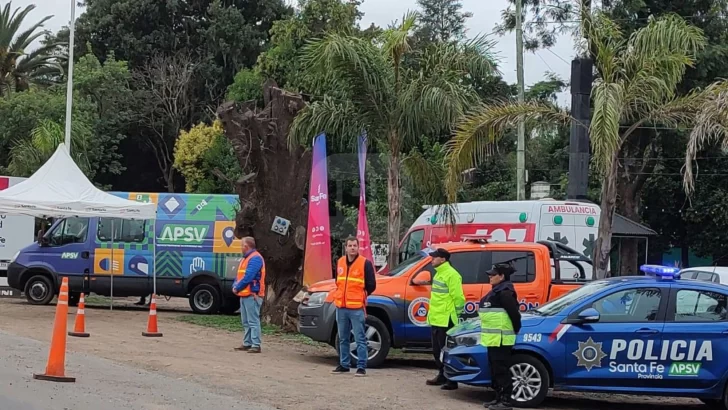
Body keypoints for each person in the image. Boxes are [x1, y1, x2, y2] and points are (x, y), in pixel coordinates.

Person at [331, 236, 376, 376]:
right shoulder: (340, 262)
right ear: (346, 247)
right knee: (343, 337)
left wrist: (361, 296)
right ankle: (344, 364)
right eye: (349, 245)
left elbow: (371, 285)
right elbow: (338, 281)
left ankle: (361, 366)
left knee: (360, 338)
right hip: (341, 307)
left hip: (356, 307)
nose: (352, 248)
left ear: (358, 247)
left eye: (354, 246)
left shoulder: (365, 263)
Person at [479, 264, 522, 410]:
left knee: (501, 370)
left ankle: (506, 401)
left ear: (502, 276)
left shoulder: (505, 292)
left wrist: (516, 330)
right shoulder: (497, 291)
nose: (490, 277)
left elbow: (515, 315)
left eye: (493, 274)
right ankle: (498, 397)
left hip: (502, 338)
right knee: (495, 369)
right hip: (493, 339)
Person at [425, 248, 465, 390]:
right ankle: (442, 375)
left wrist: (456, 314)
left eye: (434, 258)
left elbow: (459, 298)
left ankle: (451, 380)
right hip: (436, 318)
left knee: (446, 351)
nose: (432, 260)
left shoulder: (452, 275)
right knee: (437, 351)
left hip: (446, 319)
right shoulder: (439, 274)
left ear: (442, 259)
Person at [232, 237, 266, 353]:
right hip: (245, 294)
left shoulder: (255, 258)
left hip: (252, 294)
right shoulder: (246, 259)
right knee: (246, 321)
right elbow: (239, 276)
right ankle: (248, 343)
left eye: (242, 245)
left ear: (246, 247)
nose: (241, 248)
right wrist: (235, 286)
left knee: (252, 321)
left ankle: (256, 345)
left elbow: (249, 277)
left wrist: (237, 287)